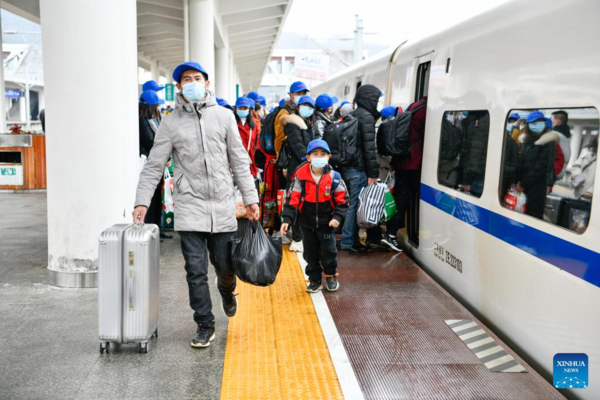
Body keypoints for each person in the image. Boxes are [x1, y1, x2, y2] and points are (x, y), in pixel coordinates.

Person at [132, 61, 259, 349]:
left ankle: (227, 290)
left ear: (207, 83)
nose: (191, 83)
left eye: (196, 78)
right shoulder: (170, 122)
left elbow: (239, 160)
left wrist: (251, 199)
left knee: (225, 267)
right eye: (186, 80)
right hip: (189, 206)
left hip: (223, 205)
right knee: (195, 269)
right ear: (178, 87)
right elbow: (154, 165)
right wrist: (142, 201)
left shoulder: (225, 116)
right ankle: (205, 322)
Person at [281, 139, 349, 292]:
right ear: (308, 157)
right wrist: (287, 219)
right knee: (310, 253)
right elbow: (293, 198)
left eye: (323, 154)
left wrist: (337, 218)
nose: (319, 156)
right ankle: (314, 279)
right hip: (306, 223)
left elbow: (343, 200)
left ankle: (331, 276)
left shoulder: (335, 178)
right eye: (315, 154)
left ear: (329, 157)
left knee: (329, 251)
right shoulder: (300, 176)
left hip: (327, 223)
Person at [339, 84, 381, 254]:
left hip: (347, 167)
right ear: (369, 99)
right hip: (359, 169)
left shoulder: (353, 115)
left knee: (352, 203)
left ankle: (353, 239)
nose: (377, 103)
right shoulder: (367, 117)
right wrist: (373, 174)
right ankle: (348, 241)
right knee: (355, 205)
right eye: (375, 99)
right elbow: (369, 149)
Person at [387, 96, 428, 248]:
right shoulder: (425, 111)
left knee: (400, 197)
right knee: (403, 198)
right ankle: (391, 233)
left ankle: (391, 231)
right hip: (413, 162)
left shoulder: (413, 106)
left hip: (403, 160)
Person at [281, 95, 316, 252]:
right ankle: (296, 238)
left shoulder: (306, 124)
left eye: (310, 106)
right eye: (304, 105)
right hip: (297, 168)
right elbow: (298, 146)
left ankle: (299, 236)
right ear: (297, 107)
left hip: (304, 166)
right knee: (295, 202)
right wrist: (309, 160)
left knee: (302, 203)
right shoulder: (293, 123)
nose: (307, 108)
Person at [138, 90, 172, 241]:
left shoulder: (153, 119)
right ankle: (151, 230)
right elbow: (149, 141)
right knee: (151, 201)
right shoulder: (142, 120)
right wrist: (163, 154)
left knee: (159, 199)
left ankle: (158, 228)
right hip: (150, 163)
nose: (158, 108)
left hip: (159, 162)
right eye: (156, 105)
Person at [514, 110, 558, 219]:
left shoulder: (548, 141)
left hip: (536, 189)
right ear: (529, 125)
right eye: (534, 122)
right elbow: (520, 162)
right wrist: (515, 181)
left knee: (531, 217)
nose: (537, 124)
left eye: (540, 121)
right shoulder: (526, 140)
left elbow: (541, 167)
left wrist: (523, 184)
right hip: (522, 186)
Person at [234, 96, 260, 178]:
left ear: (249, 110)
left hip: (250, 162)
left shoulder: (254, 126)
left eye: (245, 108)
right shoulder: (231, 123)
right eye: (240, 108)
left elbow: (256, 145)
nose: (242, 110)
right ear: (235, 109)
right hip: (234, 162)